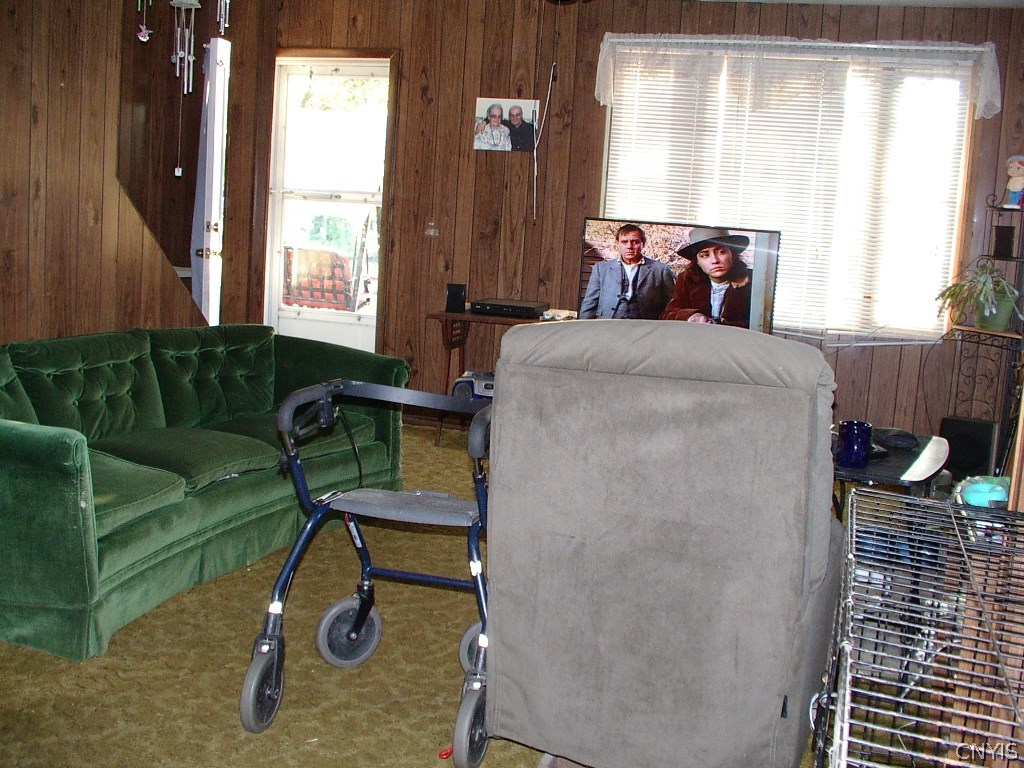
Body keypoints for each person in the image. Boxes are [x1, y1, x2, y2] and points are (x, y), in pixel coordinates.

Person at [578, 224, 675, 319]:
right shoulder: (601, 269)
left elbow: (671, 306)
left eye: (635, 242)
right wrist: (583, 326)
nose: (629, 246)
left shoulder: (661, 270)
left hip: (646, 325)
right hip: (609, 323)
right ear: (618, 244)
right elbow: (590, 303)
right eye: (624, 242)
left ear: (643, 244)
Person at [660, 227, 752, 327]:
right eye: (705, 255)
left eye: (721, 252)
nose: (715, 260)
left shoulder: (752, 281)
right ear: (697, 262)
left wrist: (723, 324)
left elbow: (758, 323)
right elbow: (668, 314)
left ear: (732, 254)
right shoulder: (688, 280)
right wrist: (691, 316)